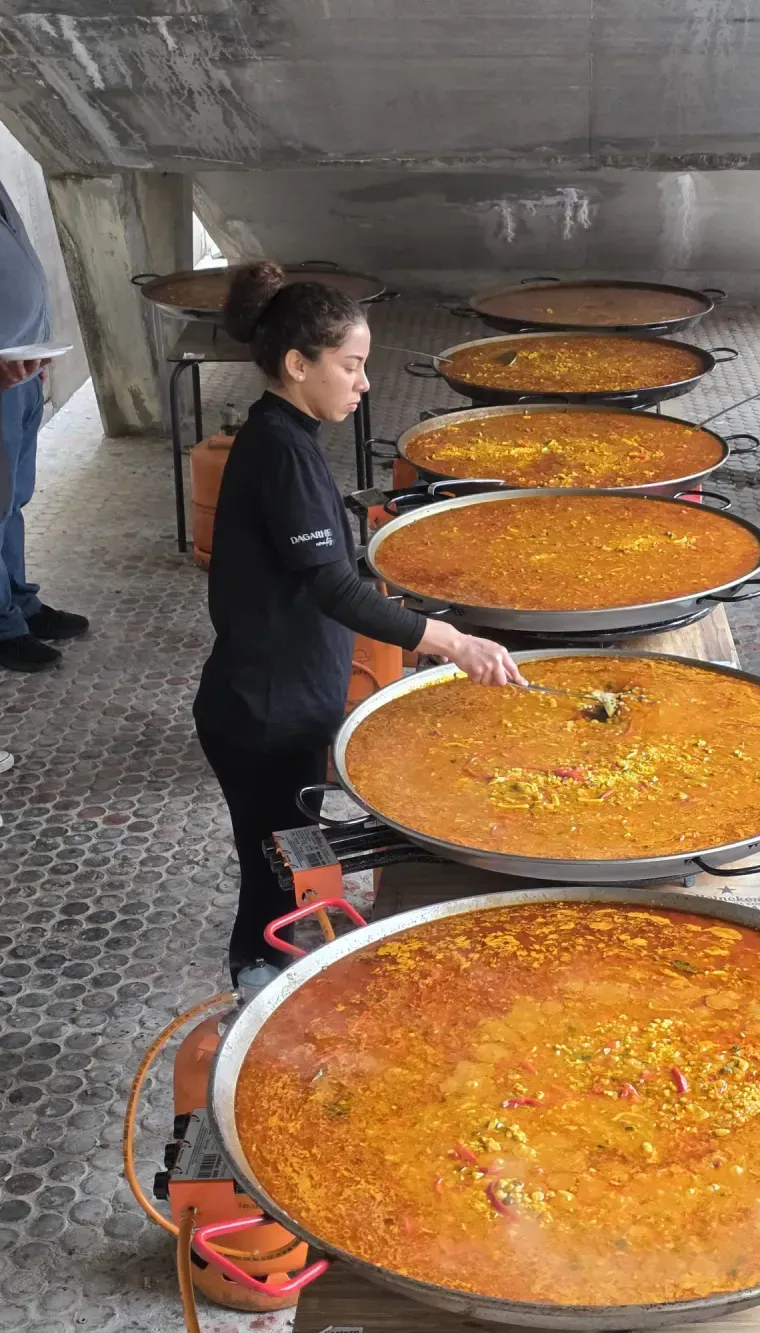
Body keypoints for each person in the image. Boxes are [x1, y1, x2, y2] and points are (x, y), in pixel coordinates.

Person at [194, 262, 527, 982]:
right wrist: (453, 642)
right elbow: (333, 588)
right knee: (277, 869)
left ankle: (296, 947)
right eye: (350, 365)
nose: (364, 383)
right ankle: (258, 981)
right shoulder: (281, 452)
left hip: (282, 701)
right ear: (297, 364)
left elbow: (317, 568)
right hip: (265, 712)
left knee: (293, 851)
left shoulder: (284, 435)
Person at [0, 177, 89, 671]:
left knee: (13, 501)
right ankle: (3, 627)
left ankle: (20, 603)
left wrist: (38, 344)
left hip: (23, 372)